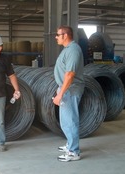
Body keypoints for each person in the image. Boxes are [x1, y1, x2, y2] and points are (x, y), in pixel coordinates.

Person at [52, 26, 85, 162]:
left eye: (58, 34)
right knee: (65, 121)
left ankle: (73, 152)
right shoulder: (68, 49)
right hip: (66, 89)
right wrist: (59, 89)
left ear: (65, 35)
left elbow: (70, 74)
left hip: (70, 90)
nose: (56, 37)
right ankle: (70, 145)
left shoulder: (73, 50)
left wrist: (61, 94)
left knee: (70, 121)